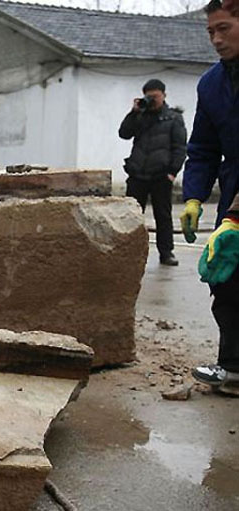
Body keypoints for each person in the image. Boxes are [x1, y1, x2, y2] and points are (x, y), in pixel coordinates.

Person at [180, 0, 239, 396]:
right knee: (226, 276)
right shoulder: (211, 83)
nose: (216, 39)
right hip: (234, 187)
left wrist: (236, 216)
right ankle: (233, 369)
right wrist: (194, 197)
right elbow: (202, 148)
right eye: (210, 32)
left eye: (225, 28)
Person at [118, 78, 187, 266]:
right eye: (149, 97)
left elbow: (180, 147)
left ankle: (166, 253)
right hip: (138, 173)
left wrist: (173, 171)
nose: (152, 100)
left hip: (161, 175)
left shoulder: (174, 118)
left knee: (163, 215)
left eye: (155, 96)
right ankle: (129, 253)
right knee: (131, 216)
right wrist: (133, 113)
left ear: (164, 95)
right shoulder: (140, 115)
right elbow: (123, 133)